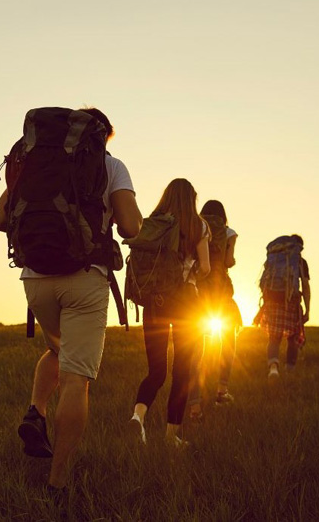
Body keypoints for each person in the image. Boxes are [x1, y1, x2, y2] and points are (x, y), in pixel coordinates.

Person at [0, 107, 142, 493]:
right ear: (103, 135)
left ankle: (36, 412)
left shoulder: (38, 161)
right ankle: (58, 481)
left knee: (57, 350)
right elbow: (129, 225)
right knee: (77, 379)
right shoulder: (111, 166)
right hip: (85, 277)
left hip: (35, 279)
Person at [128, 178, 209, 446]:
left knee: (157, 371)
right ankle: (170, 437)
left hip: (155, 301)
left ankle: (138, 418)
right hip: (186, 304)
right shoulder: (198, 225)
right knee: (182, 371)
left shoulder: (154, 223)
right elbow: (206, 268)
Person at [187, 199, 242, 420]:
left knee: (194, 350)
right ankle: (222, 391)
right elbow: (228, 262)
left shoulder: (195, 228)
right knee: (229, 340)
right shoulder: (229, 232)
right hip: (221, 292)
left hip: (197, 290)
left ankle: (194, 406)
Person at [256, 234, 311, 378]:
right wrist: (307, 309)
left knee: (274, 338)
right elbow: (305, 286)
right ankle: (289, 371)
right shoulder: (299, 262)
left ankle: (273, 368)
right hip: (290, 301)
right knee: (293, 337)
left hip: (273, 300)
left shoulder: (273, 259)